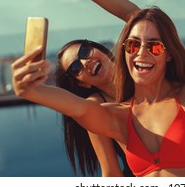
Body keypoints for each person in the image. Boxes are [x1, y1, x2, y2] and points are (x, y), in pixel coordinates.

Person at [12, 7, 185, 177]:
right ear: (124, 51)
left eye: (155, 47)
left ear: (169, 54)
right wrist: (31, 91)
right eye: (132, 45)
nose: (141, 52)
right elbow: (81, 109)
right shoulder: (118, 116)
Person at [54, 39, 132, 177]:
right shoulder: (95, 109)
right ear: (83, 84)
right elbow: (111, 173)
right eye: (76, 68)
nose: (85, 62)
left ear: (101, 50)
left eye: (84, 51)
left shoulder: (142, 71)